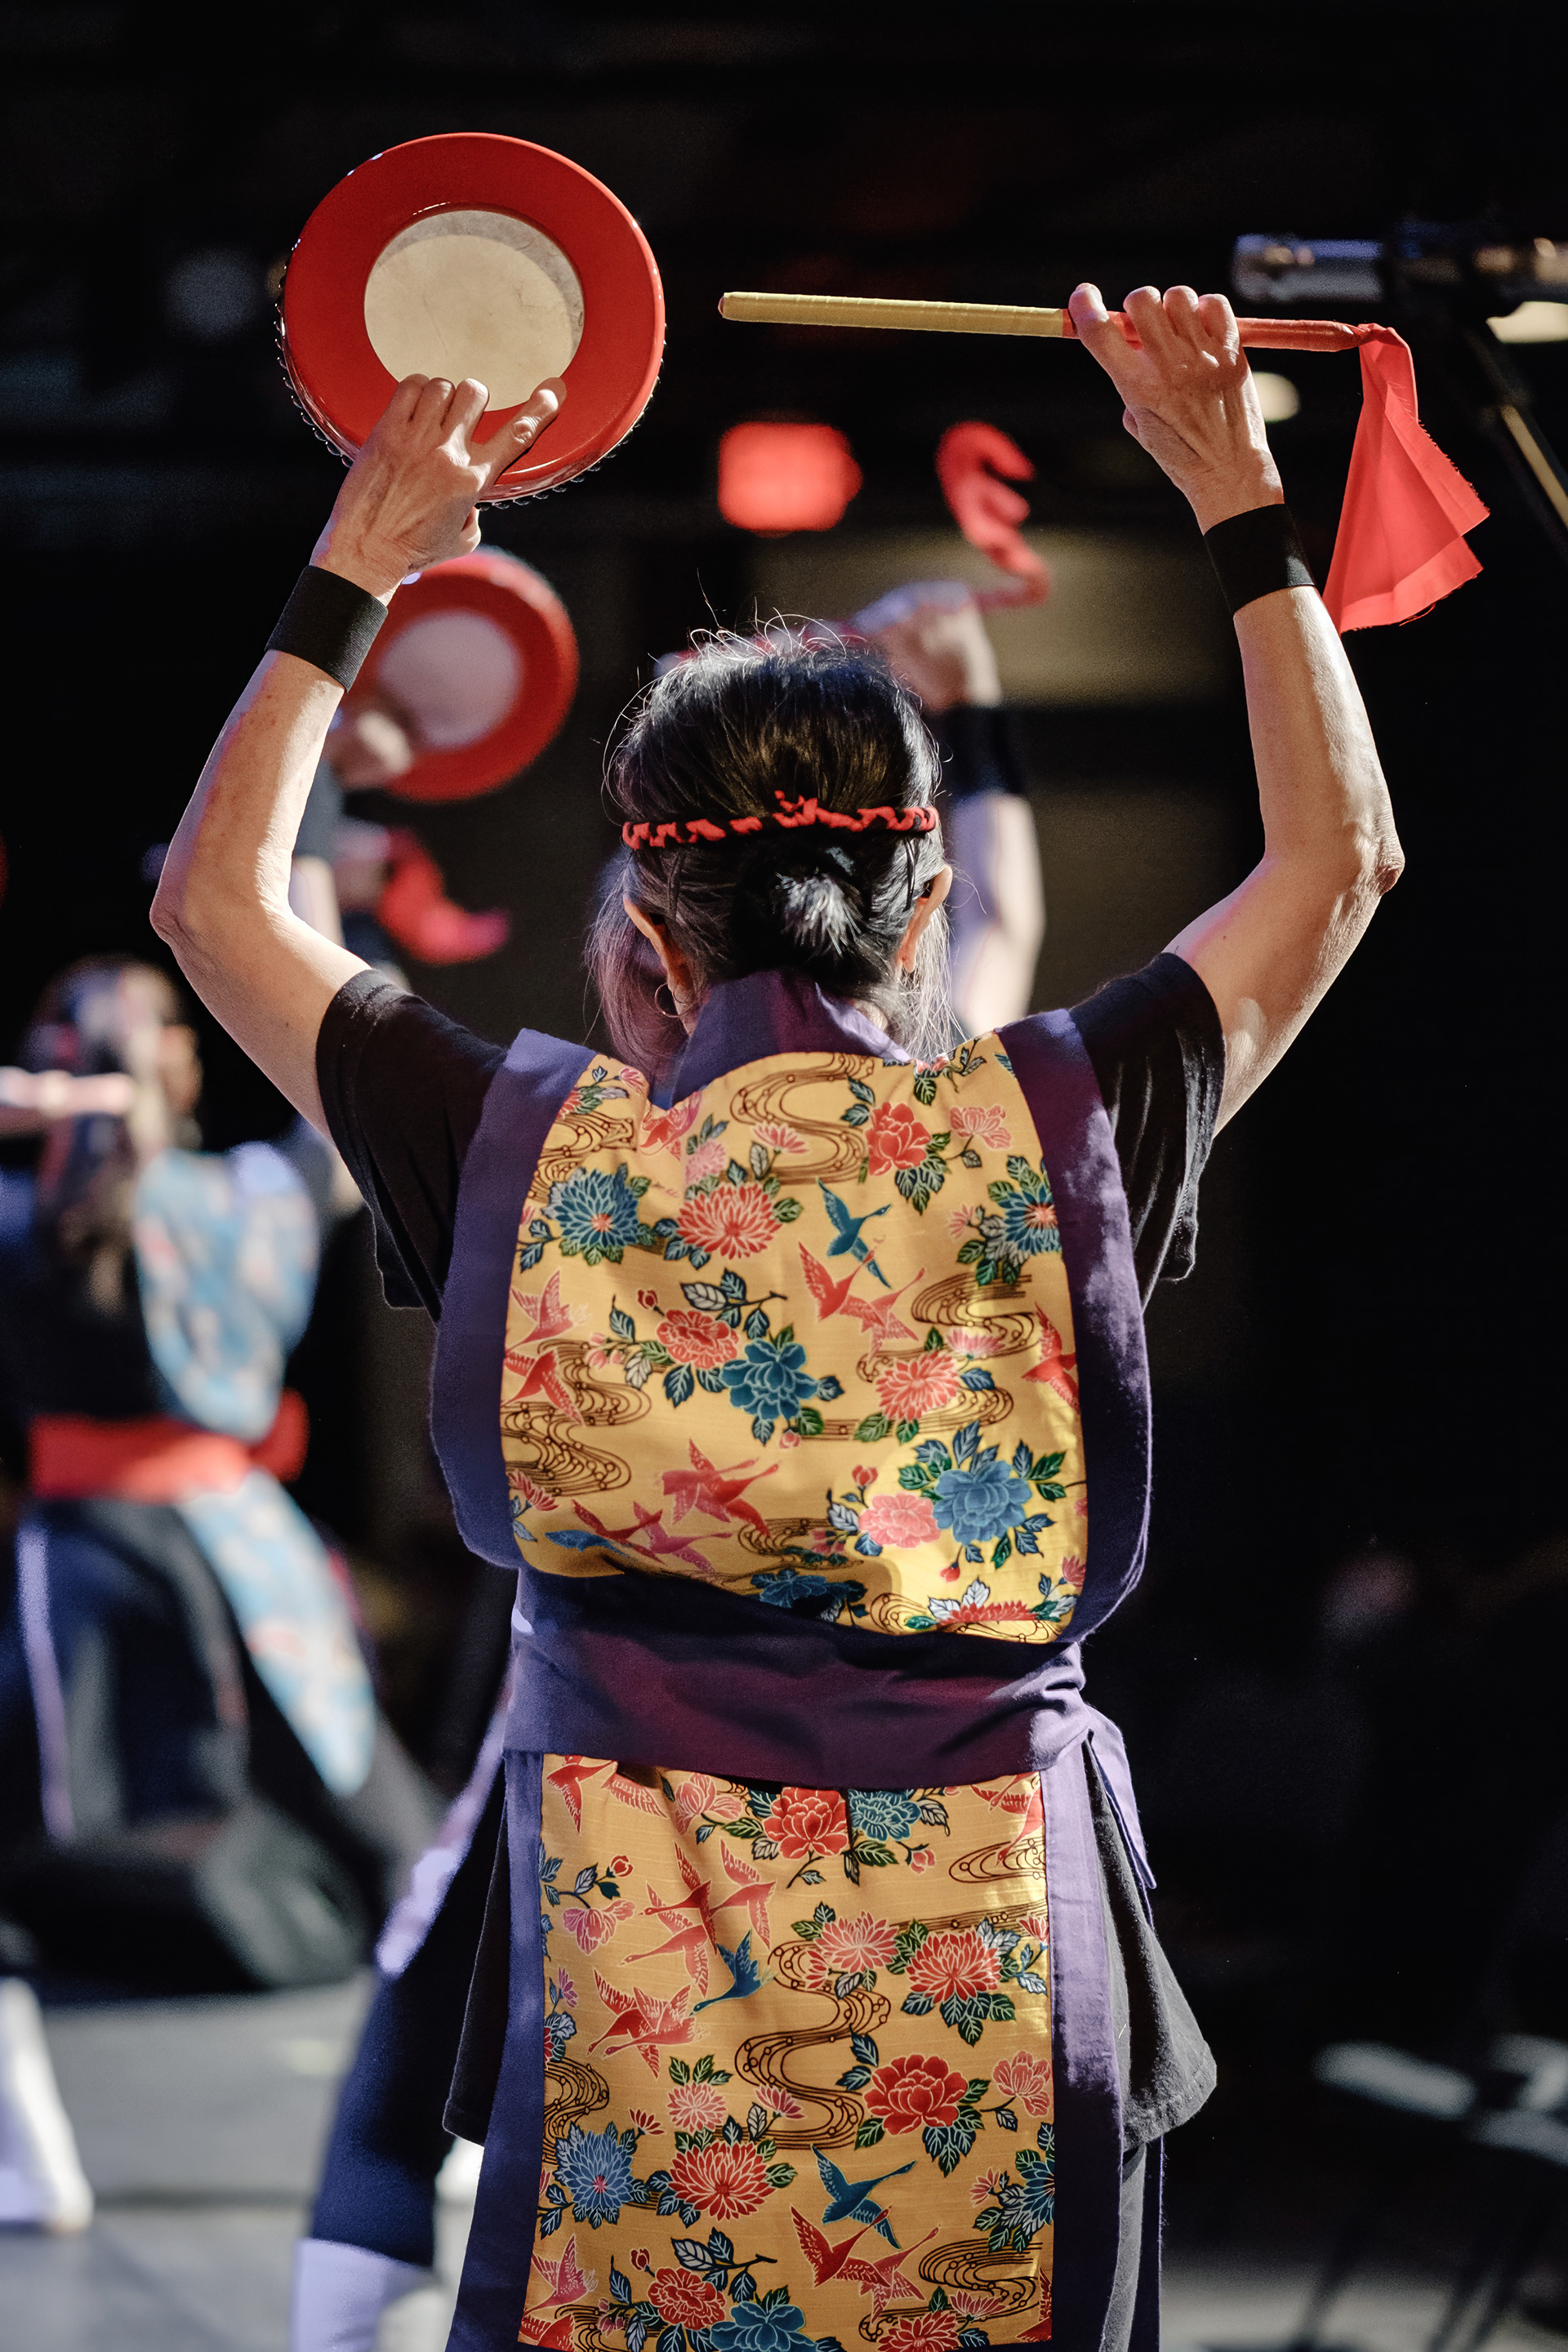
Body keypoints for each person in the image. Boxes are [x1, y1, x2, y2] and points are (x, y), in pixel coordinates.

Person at [151, 279, 1401, 2352]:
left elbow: (214, 901)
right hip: (991, 1953)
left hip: (643, 1957)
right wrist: (1239, 490)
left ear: (644, 917)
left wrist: (359, 559)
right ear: (922, 909)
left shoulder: (526, 1146)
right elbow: (1338, 855)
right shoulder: (1049, 1123)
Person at [0, 960, 439, 1987]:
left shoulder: (17, 1221)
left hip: (76, 1562)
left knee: (62, 1806)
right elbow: (337, 1140)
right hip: (231, 1547)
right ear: (176, 1069)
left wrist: (52, 1102)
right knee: (369, 1813)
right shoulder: (234, 1201)